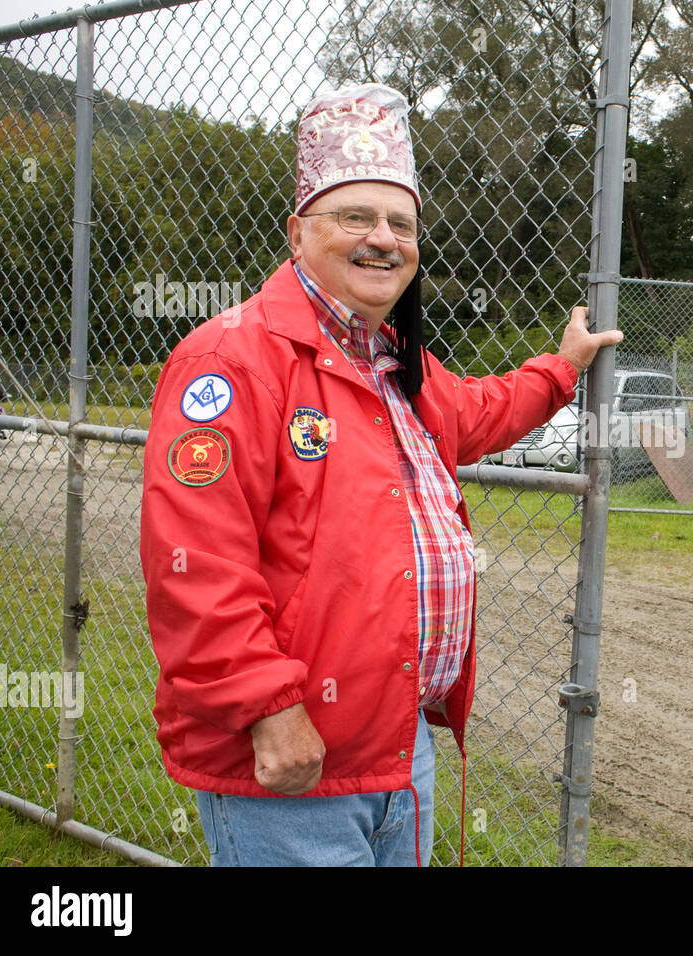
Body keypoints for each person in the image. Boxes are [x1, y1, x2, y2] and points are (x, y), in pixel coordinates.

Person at [138, 83, 621, 867]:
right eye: (355, 217)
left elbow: (481, 411)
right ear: (299, 232)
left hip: (399, 746)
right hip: (295, 761)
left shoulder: (397, 363)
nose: (383, 239)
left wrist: (561, 369)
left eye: (401, 222)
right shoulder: (230, 359)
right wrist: (269, 711)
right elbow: (194, 563)